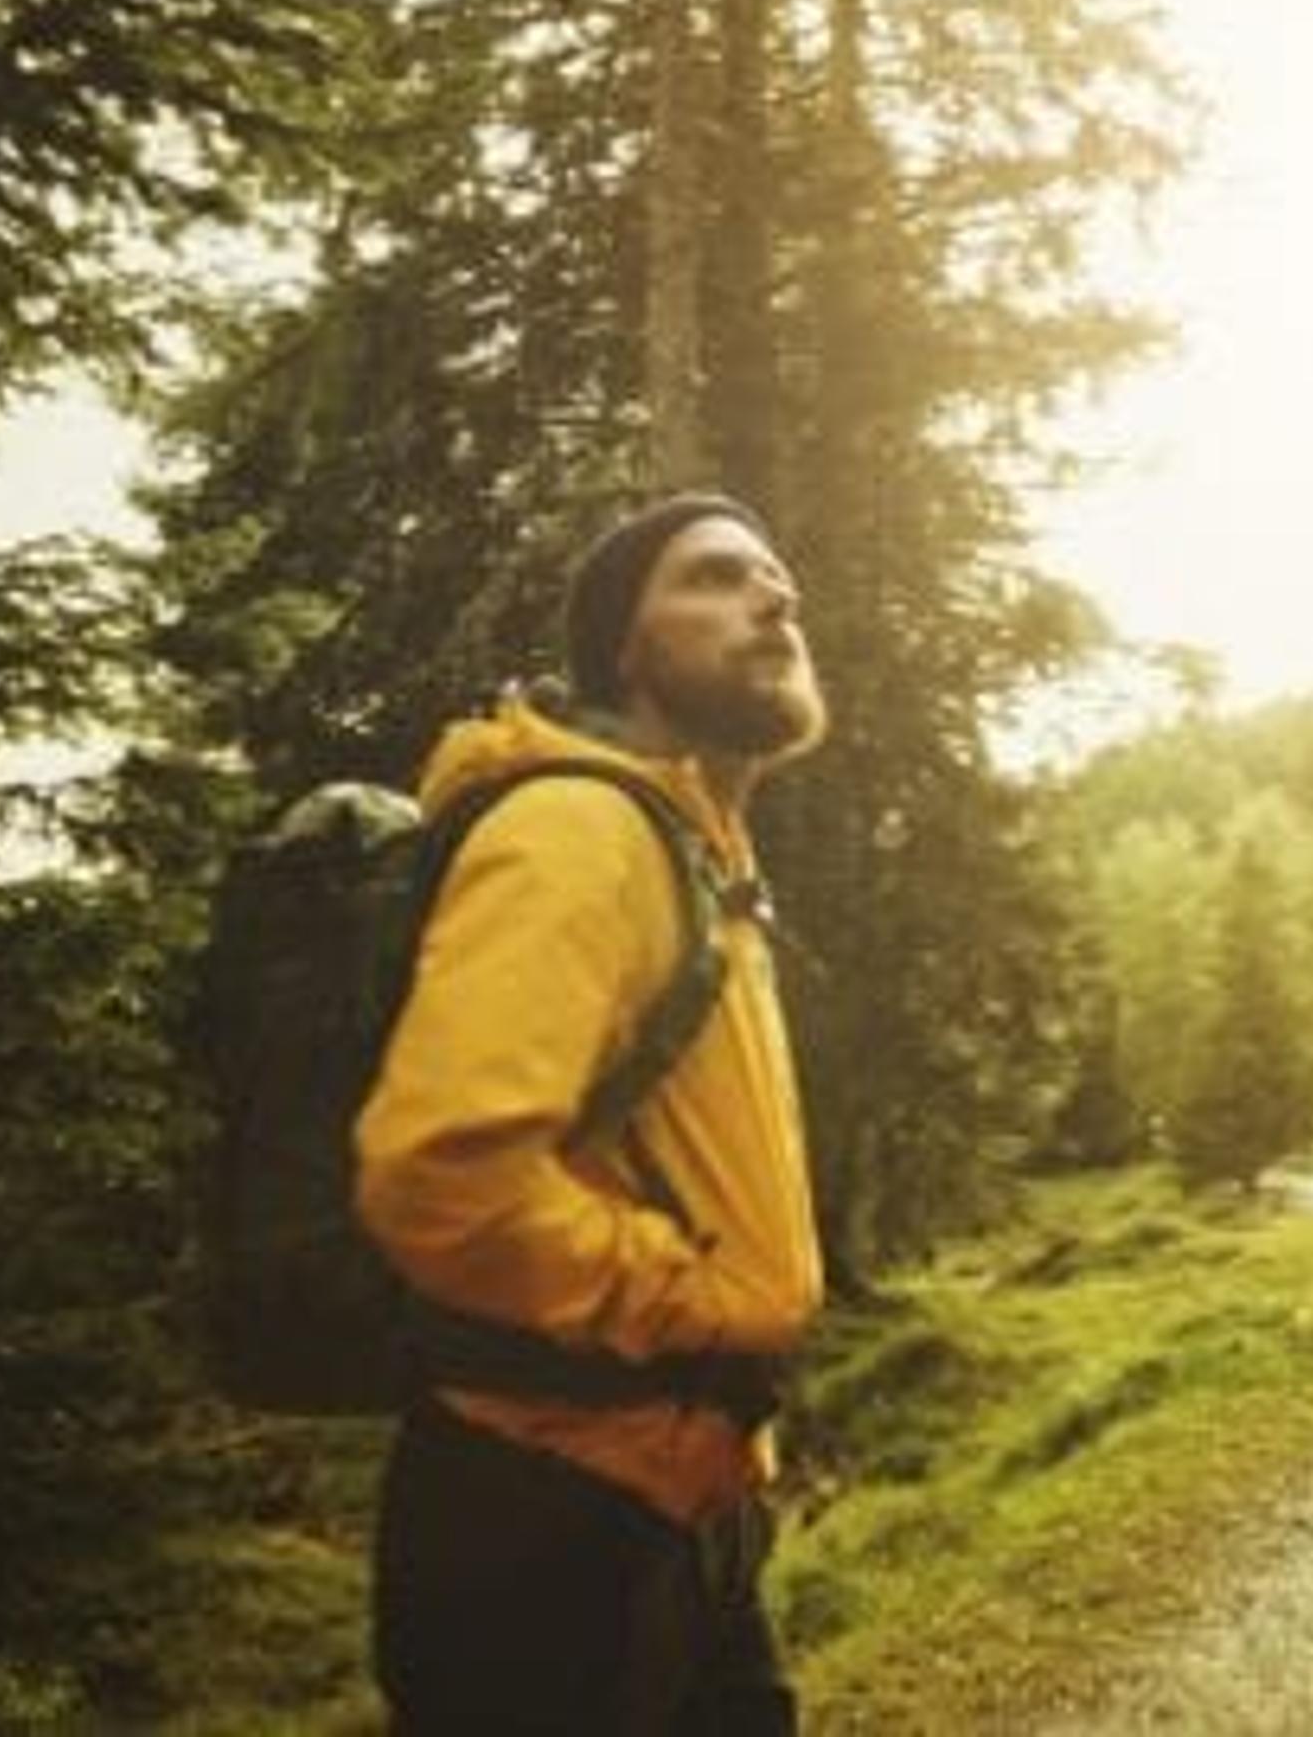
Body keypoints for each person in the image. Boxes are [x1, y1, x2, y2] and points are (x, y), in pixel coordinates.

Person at [356, 492, 829, 1734]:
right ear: (629, 646)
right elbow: (441, 1174)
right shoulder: (577, 829)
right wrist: (701, 1306)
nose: (774, 599)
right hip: (545, 1514)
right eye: (717, 578)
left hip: (679, 1500)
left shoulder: (701, 859)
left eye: (776, 577)